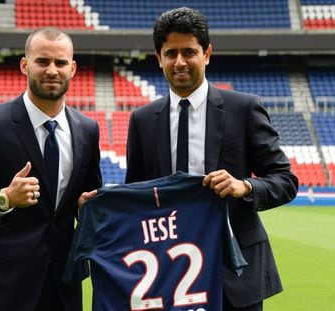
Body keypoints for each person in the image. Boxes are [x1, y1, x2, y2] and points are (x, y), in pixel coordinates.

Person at [125, 7, 298, 311]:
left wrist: (244, 186)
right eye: (171, 53)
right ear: (159, 57)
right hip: (168, 272)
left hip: (235, 271)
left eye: (189, 52)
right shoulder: (141, 120)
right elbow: (136, 195)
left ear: (207, 54)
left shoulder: (244, 109)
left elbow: (286, 181)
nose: (180, 62)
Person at [0, 27, 102, 311]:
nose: (52, 70)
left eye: (60, 63)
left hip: (63, 289)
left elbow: (89, 201)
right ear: (24, 65)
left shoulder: (87, 129)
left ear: (73, 68)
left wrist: (86, 208)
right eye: (42, 61)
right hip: (1, 291)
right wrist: (5, 198)